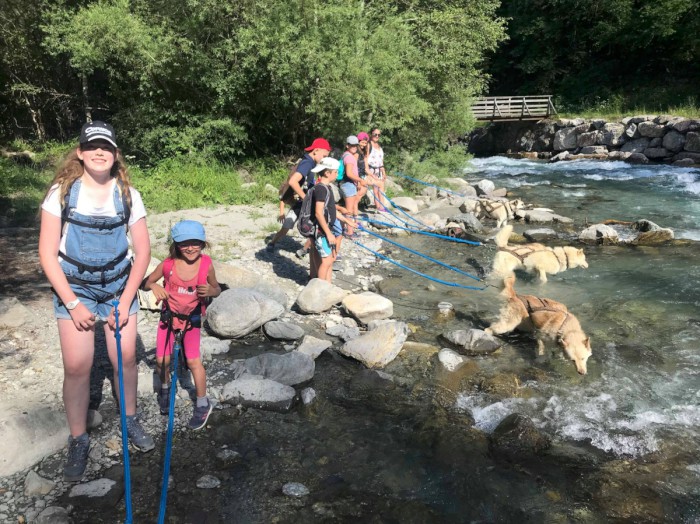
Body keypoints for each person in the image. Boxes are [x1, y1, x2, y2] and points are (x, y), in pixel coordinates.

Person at [38, 121, 154, 482]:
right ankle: (78, 439)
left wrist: (127, 298)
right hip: (75, 288)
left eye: (106, 147)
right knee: (77, 366)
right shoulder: (61, 193)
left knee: (127, 357)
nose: (99, 152)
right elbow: (46, 253)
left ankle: (130, 419)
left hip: (120, 285)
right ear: (81, 153)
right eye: (92, 147)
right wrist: (72, 303)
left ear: (115, 154)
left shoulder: (129, 195)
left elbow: (144, 250)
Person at [141, 220, 221, 430]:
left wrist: (210, 292)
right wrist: (154, 287)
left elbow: (217, 288)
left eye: (195, 242)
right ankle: (166, 388)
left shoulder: (206, 264)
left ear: (203, 243)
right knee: (161, 361)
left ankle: (203, 403)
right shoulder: (168, 265)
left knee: (194, 362)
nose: (190, 247)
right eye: (184, 243)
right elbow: (146, 282)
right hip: (168, 318)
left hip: (191, 322)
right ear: (176, 244)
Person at [267, 138, 331, 254]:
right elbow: (292, 181)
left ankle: (305, 249)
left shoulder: (312, 163)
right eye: (324, 156)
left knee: (315, 224)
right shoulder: (307, 162)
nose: (324, 159)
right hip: (300, 202)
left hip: (302, 202)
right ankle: (272, 242)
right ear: (316, 150)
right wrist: (305, 198)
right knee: (288, 226)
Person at [307, 157, 355, 282]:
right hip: (321, 232)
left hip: (326, 230)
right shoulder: (321, 189)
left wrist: (347, 220)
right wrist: (328, 234)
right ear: (327, 173)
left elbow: (331, 210)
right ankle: (321, 287)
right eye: (335, 172)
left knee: (329, 260)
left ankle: (327, 286)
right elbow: (318, 213)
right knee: (327, 261)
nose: (337, 174)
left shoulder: (327, 187)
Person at [339, 135, 367, 238]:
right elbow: (349, 173)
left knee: (346, 209)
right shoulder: (349, 157)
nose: (354, 147)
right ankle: (350, 232)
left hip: (347, 184)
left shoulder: (345, 155)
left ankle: (342, 229)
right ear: (347, 145)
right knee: (349, 210)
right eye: (352, 145)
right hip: (348, 184)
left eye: (356, 145)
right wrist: (360, 180)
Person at [367, 127, 388, 212]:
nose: (377, 136)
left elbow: (381, 160)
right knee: (376, 189)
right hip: (371, 170)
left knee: (380, 189)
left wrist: (384, 172)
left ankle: (381, 207)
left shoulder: (379, 146)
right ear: (371, 134)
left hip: (379, 170)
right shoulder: (369, 145)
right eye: (375, 134)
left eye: (378, 135)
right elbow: (366, 158)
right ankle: (380, 207)